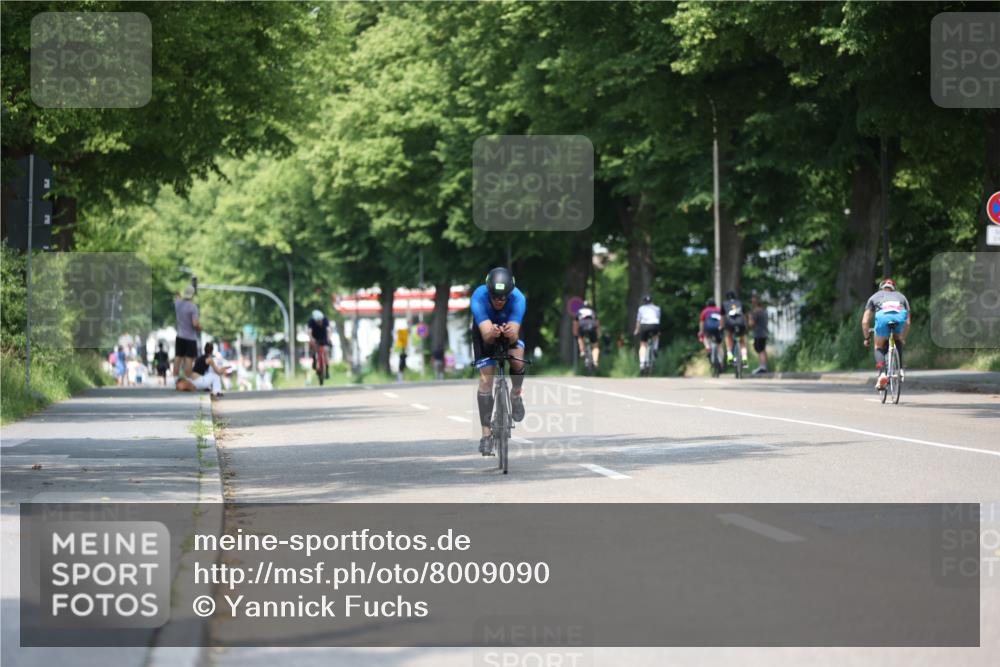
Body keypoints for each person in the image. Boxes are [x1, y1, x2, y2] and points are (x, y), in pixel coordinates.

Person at [471, 267, 527, 456]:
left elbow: (514, 336)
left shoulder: (518, 299)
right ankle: (486, 436)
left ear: (510, 293)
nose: (499, 301)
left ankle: (516, 394)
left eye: (504, 297)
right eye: (495, 296)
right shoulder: (478, 297)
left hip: (510, 327)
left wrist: (510, 335)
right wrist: (491, 333)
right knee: (486, 379)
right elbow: (487, 337)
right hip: (485, 330)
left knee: (518, 361)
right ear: (489, 292)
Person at [862, 278, 910, 390]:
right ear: (894, 288)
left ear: (881, 287)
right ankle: (900, 368)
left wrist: (867, 338)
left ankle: (883, 373)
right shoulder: (902, 297)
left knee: (878, 346)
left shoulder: (874, 297)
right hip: (899, 317)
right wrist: (902, 336)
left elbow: (865, 321)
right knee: (898, 339)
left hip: (883, 318)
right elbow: (907, 322)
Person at [173, 285, 201, 378]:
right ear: (193, 295)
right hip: (190, 338)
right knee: (189, 359)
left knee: (178, 357)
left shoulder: (177, 304)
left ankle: (175, 379)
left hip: (180, 336)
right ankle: (188, 379)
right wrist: (200, 327)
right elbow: (195, 323)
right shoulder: (193, 307)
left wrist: (179, 294)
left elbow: (177, 296)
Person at [633, 295, 661, 372]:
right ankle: (655, 348)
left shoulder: (641, 308)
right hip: (655, 325)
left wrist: (636, 330)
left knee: (643, 344)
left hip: (645, 326)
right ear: (651, 301)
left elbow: (638, 321)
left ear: (644, 302)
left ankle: (642, 363)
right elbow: (658, 318)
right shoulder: (657, 308)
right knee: (656, 336)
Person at [722, 290, 749, 366]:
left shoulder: (724, 303)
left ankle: (730, 354)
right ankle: (744, 357)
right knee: (742, 341)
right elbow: (745, 315)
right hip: (741, 323)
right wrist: (746, 325)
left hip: (730, 323)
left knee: (729, 336)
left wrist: (721, 326)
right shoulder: (740, 302)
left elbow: (722, 317)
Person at [573, 300, 601, 369]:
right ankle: (595, 361)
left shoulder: (579, 312)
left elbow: (575, 324)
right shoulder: (592, 312)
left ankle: (582, 351)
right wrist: (598, 333)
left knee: (580, 338)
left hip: (582, 326)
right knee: (595, 346)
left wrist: (575, 333)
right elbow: (597, 323)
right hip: (592, 327)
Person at [698, 298, 723, 366]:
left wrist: (701, 331)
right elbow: (723, 319)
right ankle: (721, 362)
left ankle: (708, 348)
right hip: (718, 328)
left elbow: (702, 322)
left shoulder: (705, 311)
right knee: (719, 345)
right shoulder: (719, 310)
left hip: (708, 328)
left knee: (705, 337)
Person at [308, 309, 332, 383]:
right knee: (313, 347)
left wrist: (329, 339)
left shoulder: (325, 320)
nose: (320, 322)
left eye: (320, 321)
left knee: (326, 351)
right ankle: (314, 359)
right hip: (315, 337)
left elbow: (328, 330)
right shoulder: (311, 321)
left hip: (324, 337)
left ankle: (327, 370)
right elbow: (309, 332)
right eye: (318, 322)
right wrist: (311, 339)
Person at [749, 294, 769, 374]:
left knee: (760, 350)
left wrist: (749, 318)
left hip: (758, 333)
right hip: (764, 332)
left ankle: (762, 367)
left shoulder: (755, 312)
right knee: (763, 349)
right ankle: (764, 366)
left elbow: (751, 324)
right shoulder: (764, 311)